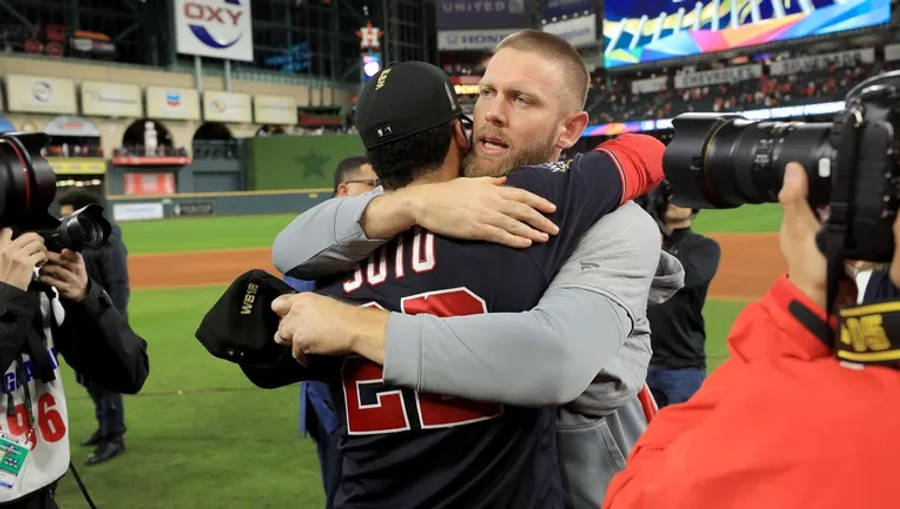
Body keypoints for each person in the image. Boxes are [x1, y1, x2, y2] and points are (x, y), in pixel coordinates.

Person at [272, 31, 682, 506]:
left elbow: (556, 361)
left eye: (522, 99)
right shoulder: (427, 198)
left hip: (587, 485)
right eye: (487, 92)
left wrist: (356, 328)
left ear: (569, 130)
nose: (493, 113)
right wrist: (418, 203)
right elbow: (290, 247)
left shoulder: (616, 221)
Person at [602, 163, 900, 508]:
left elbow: (638, 495)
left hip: (684, 366)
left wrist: (799, 309)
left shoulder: (834, 416)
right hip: (657, 364)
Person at [0, 226, 148, 506]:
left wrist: (87, 298)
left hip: (41, 490)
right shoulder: (14, 292)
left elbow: (130, 373)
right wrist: (7, 299)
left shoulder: (34, 289)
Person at [293, 155, 377, 509]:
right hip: (332, 401)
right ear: (344, 189)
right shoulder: (316, 238)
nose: (379, 192)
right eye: (372, 185)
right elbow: (304, 328)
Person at [58, 190, 131, 465]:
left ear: (81, 213)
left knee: (106, 381)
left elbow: (118, 286)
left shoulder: (107, 241)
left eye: (67, 214)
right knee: (88, 379)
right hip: (79, 323)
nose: (63, 220)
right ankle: (104, 427)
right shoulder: (77, 241)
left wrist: (111, 324)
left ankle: (114, 437)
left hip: (102, 324)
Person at [642, 186, 720, 406]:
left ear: (694, 210)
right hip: (642, 361)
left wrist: (655, 250)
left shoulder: (704, 247)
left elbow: (689, 278)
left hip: (682, 365)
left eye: (683, 198)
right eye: (669, 196)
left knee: (684, 428)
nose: (674, 201)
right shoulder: (644, 243)